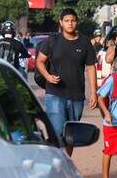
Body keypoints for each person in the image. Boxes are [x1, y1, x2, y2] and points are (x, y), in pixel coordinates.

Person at [36, 8, 97, 144]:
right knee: (57, 131)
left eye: (73, 21)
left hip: (77, 96)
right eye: (67, 21)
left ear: (77, 23)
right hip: (55, 93)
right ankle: (57, 161)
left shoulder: (85, 42)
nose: (70, 23)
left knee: (71, 135)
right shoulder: (53, 40)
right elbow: (40, 61)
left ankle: (65, 162)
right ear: (61, 23)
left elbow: (91, 67)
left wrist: (94, 92)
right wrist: (48, 76)